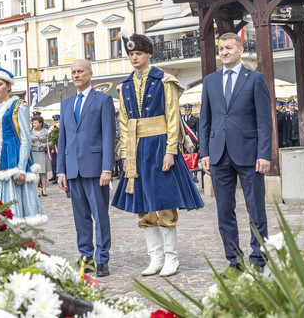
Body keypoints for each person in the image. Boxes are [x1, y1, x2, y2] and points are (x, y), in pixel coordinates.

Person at [112, 33, 204, 277]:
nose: (134, 58)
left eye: (138, 54)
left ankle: (172, 258)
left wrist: (171, 150)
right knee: (143, 205)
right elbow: (123, 121)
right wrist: (124, 154)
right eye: (131, 54)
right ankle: (155, 257)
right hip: (136, 148)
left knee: (164, 202)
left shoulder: (165, 81)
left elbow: (173, 117)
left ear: (148, 55)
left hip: (159, 144)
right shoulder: (125, 86)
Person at [199, 32, 272, 272]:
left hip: (250, 154)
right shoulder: (210, 81)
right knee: (224, 209)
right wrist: (204, 153)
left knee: (255, 208)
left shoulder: (255, 79)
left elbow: (264, 120)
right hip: (219, 154)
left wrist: (264, 154)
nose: (224, 52)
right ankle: (234, 259)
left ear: (240, 50)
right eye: (221, 49)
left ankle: (259, 257)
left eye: (229, 48)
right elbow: (205, 120)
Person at [57, 59, 115, 277]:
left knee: (100, 216)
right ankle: (86, 258)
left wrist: (107, 168)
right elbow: (62, 139)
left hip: (95, 168)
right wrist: (60, 170)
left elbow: (109, 135)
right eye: (73, 72)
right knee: (80, 217)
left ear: (90, 74)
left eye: (80, 71)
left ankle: (102, 259)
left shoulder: (103, 100)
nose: (76, 75)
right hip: (72, 168)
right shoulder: (66, 103)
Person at [0, 66, 45, 224]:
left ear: (8, 86)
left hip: (11, 160)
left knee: (12, 211)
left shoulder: (19, 106)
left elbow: (25, 138)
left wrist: (21, 168)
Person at [30, 115, 51, 196]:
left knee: (44, 172)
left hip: (43, 153)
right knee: (35, 172)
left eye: (35, 123)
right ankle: (36, 189)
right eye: (33, 123)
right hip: (34, 153)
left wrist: (46, 144)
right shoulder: (30, 131)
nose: (34, 124)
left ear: (40, 123)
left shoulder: (46, 131)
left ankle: (44, 189)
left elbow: (52, 142)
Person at [48, 115, 60, 183]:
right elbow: (51, 139)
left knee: (57, 163)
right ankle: (54, 175)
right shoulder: (53, 128)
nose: (56, 121)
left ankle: (58, 177)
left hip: (59, 148)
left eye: (57, 120)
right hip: (54, 148)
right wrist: (52, 147)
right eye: (55, 120)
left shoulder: (60, 127)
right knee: (54, 163)